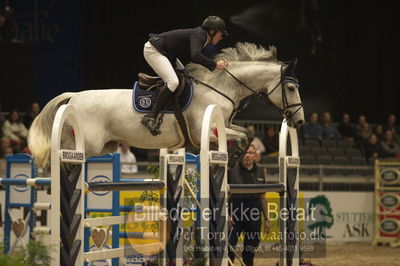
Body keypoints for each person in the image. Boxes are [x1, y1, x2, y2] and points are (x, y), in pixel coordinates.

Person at [141, 16, 229, 135]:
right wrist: (214, 65)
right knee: (173, 82)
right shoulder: (200, 35)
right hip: (154, 50)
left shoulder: (201, 36)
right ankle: (150, 116)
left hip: (167, 53)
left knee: (184, 78)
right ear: (212, 31)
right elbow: (195, 56)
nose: (221, 37)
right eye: (220, 33)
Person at [228, 144, 270, 266]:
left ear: (255, 156)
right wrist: (226, 215)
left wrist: (267, 219)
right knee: (230, 246)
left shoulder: (261, 172)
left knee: (250, 249)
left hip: (254, 213)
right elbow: (223, 194)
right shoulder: (232, 170)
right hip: (235, 212)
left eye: (250, 153)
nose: (247, 155)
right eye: (245, 153)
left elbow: (263, 196)